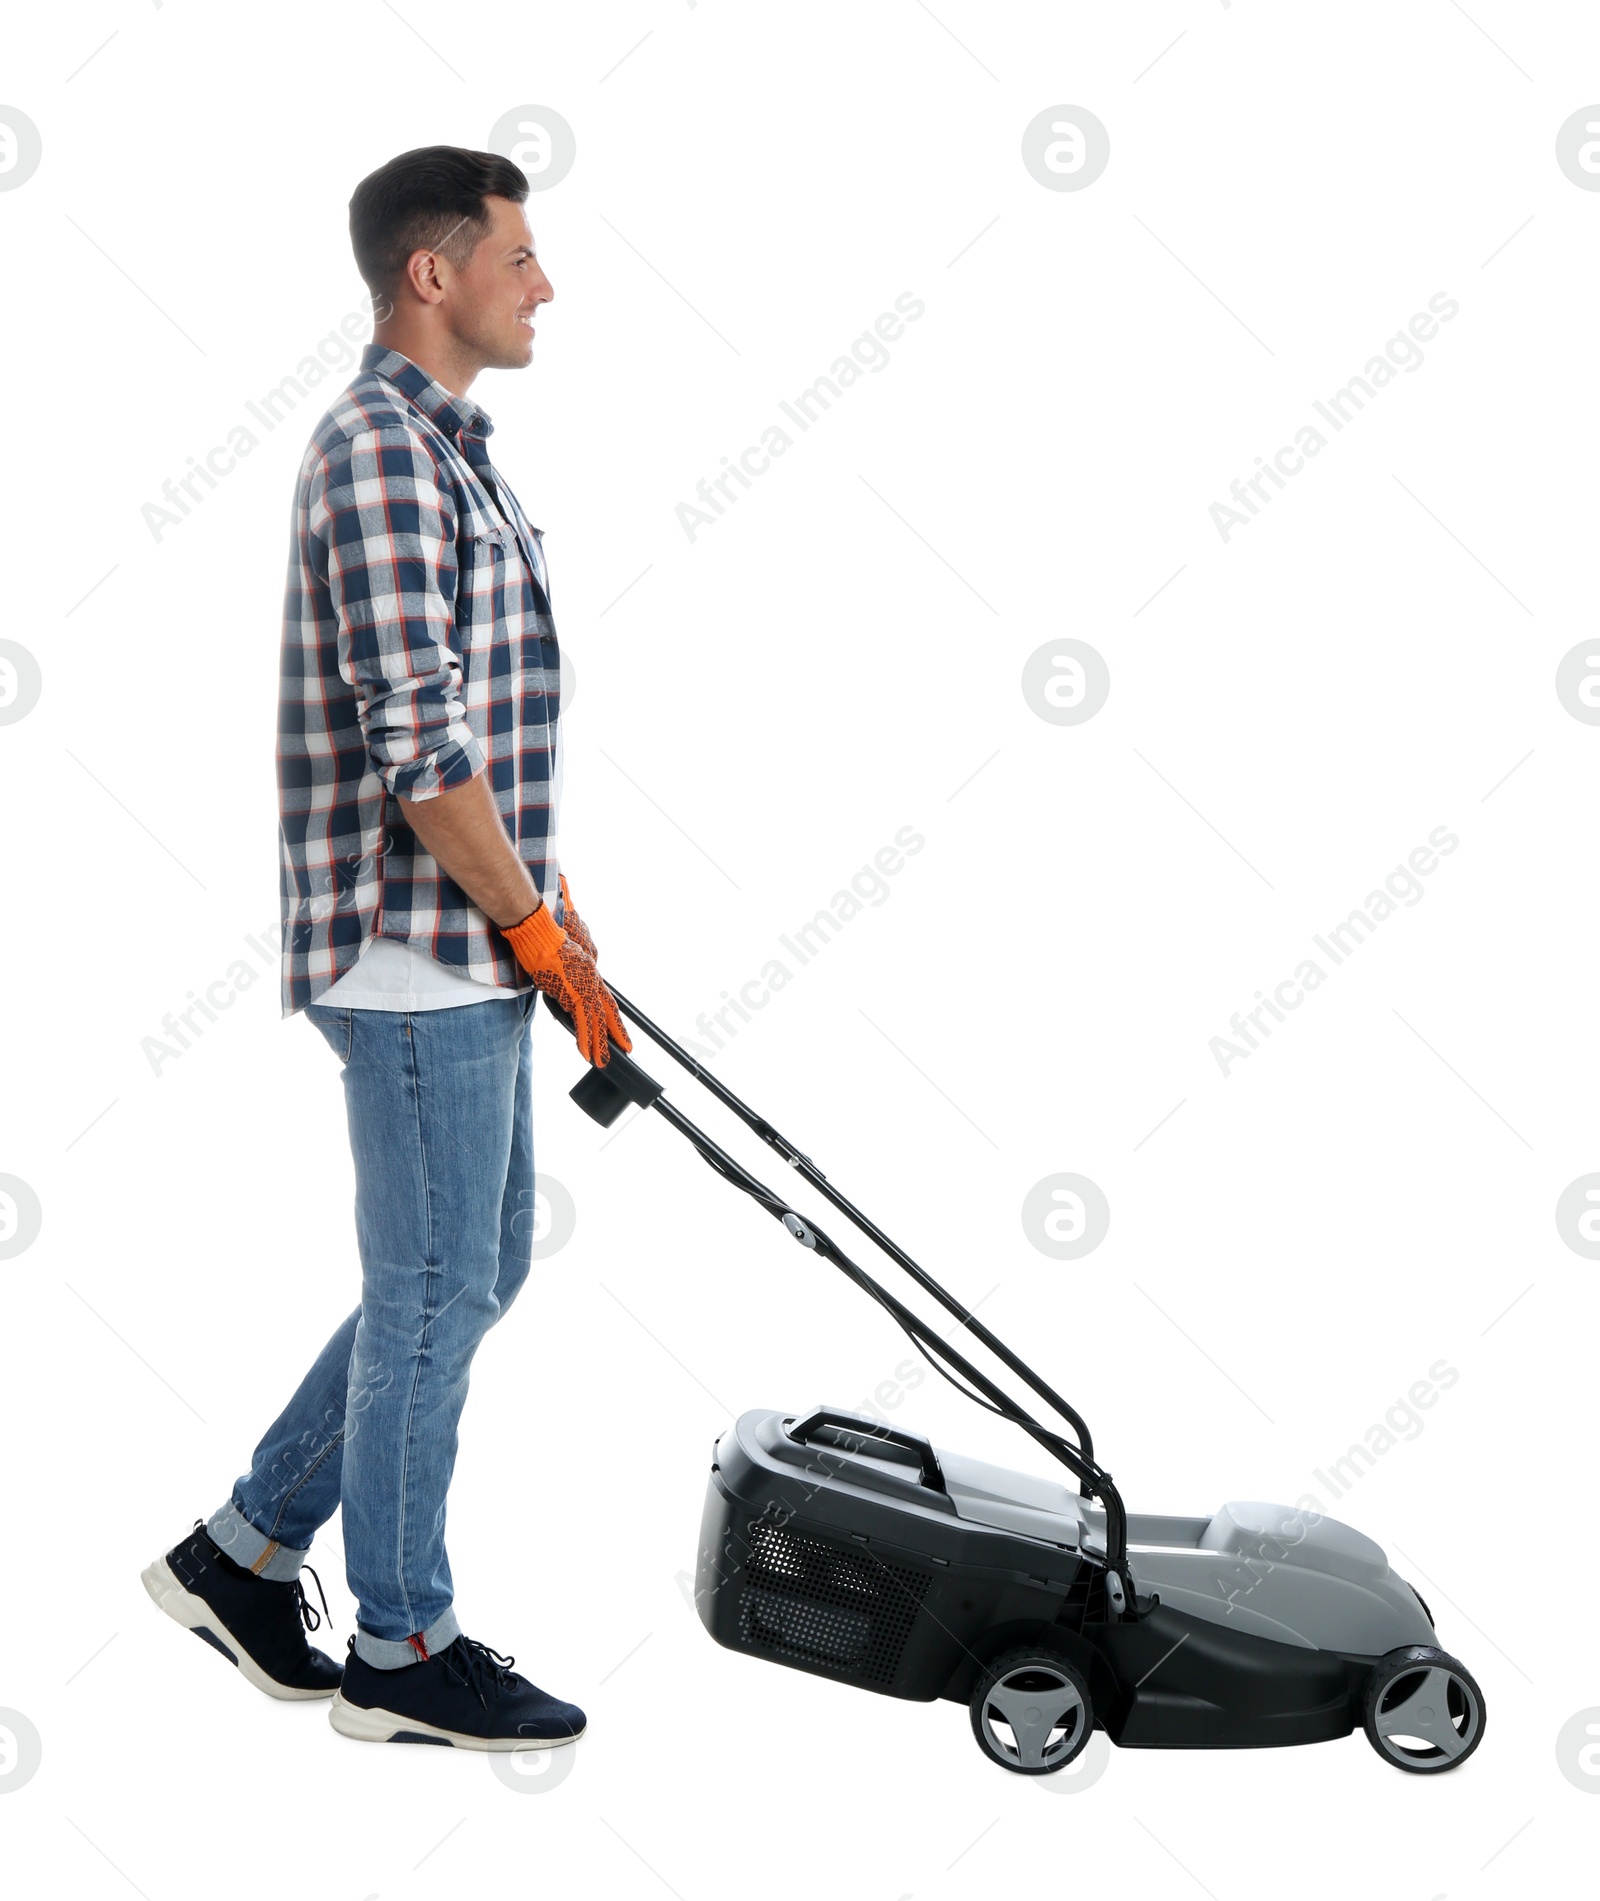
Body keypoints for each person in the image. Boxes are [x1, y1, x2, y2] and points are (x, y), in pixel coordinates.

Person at [140, 145, 629, 1751]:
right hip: (412, 949)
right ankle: (405, 1647)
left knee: (469, 1265)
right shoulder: (378, 455)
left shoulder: (448, 450)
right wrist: (527, 922)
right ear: (435, 272)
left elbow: (485, 730)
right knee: (431, 1283)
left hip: (473, 936)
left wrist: (559, 919)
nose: (543, 282)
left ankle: (243, 1551)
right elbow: (420, 754)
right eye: (520, 253)